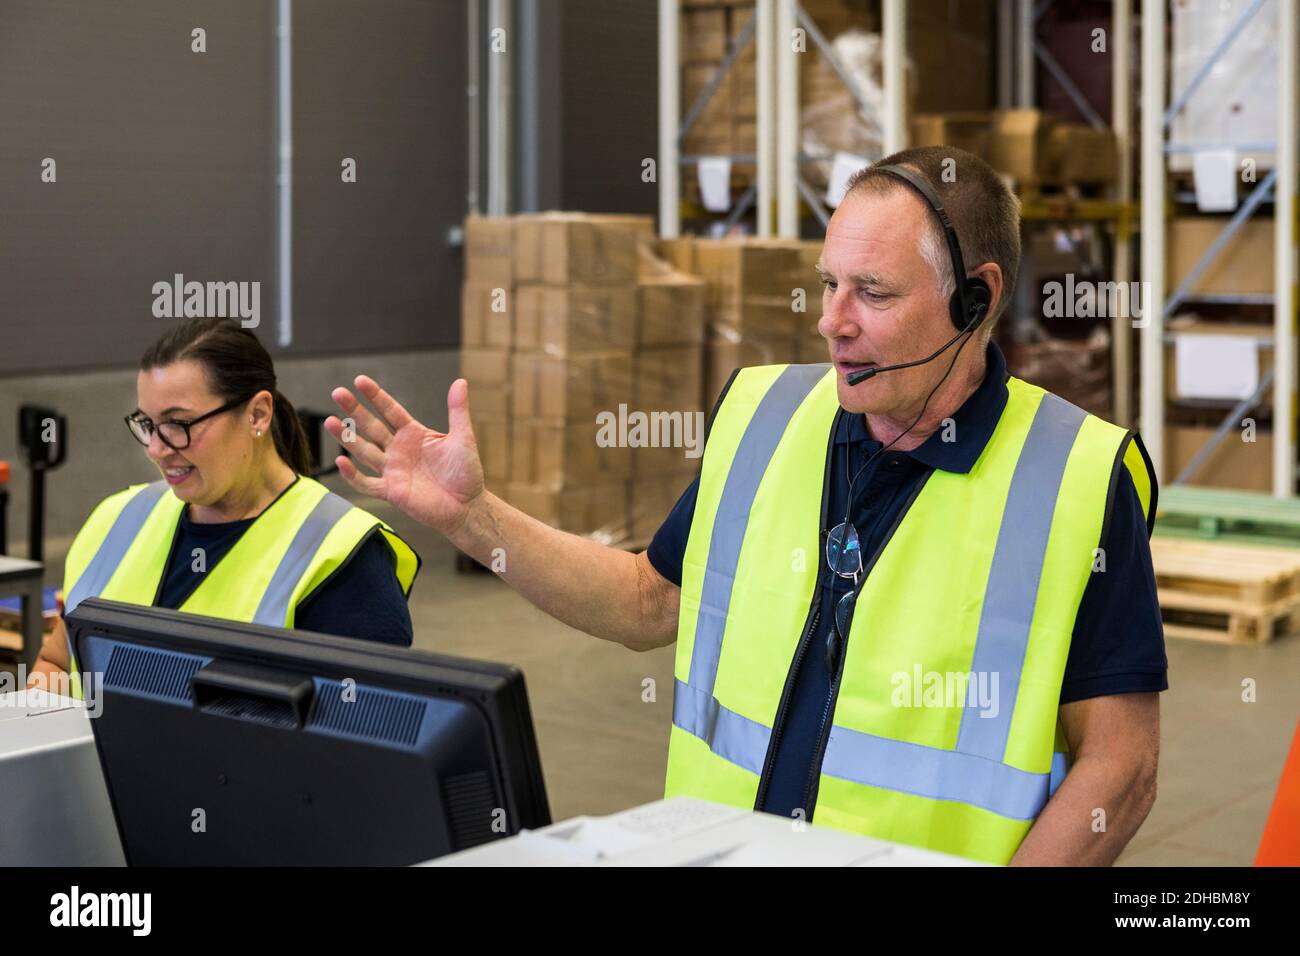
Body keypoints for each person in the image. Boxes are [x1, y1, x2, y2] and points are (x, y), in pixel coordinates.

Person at [326, 147, 1165, 866]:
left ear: (976, 299)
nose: (831, 324)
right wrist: (472, 518)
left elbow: (1120, 767)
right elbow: (648, 602)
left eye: (872, 293)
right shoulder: (765, 418)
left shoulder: (1078, 478)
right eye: (827, 284)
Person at [29, 317, 420, 697]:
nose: (156, 449)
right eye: (147, 424)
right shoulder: (115, 521)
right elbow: (59, 664)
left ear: (257, 414)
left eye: (178, 424)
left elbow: (359, 736)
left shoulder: (341, 554)